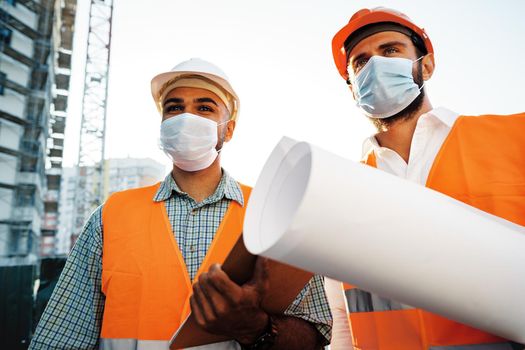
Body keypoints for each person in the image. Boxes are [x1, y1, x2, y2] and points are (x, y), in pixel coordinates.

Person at [30, 58, 332, 349]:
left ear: (228, 129)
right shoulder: (110, 217)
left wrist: (254, 326)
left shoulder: (273, 214)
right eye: (174, 108)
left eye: (204, 107)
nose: (187, 117)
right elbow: (61, 337)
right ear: (162, 125)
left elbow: (313, 335)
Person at [325, 7, 525, 350]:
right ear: (353, 88)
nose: (374, 66)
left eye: (390, 50)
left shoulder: (516, 136)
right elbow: (344, 326)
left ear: (426, 66)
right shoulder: (340, 195)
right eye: (360, 62)